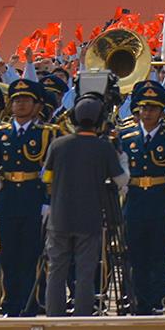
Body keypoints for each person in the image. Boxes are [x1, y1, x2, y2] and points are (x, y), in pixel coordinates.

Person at [45, 97, 123, 316]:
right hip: (89, 219)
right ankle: (82, 317)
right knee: (85, 272)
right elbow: (121, 180)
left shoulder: (58, 144)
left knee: (56, 270)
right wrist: (121, 158)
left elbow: (46, 177)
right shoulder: (103, 147)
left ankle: (54, 317)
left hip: (59, 217)